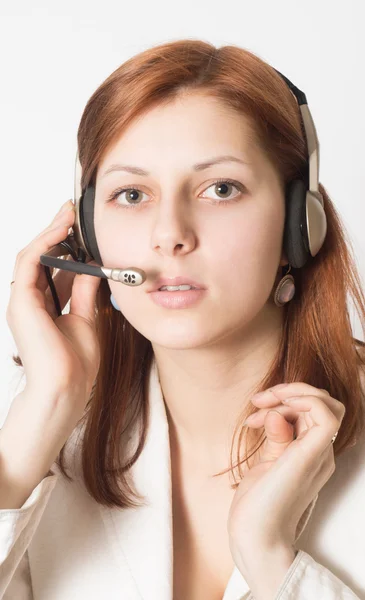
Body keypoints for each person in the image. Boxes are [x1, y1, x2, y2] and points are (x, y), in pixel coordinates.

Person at [1, 39, 365, 599]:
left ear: (300, 223)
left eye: (220, 189)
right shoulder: (49, 427)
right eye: (131, 194)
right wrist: (38, 422)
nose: (170, 234)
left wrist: (274, 566)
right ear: (91, 237)